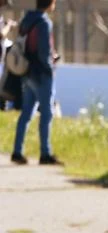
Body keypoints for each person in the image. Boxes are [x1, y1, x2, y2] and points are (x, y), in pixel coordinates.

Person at [10, 0, 58, 166]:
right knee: (46, 113)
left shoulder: (26, 20)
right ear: (50, 3)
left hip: (27, 71)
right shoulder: (44, 22)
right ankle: (45, 153)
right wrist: (50, 67)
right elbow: (44, 52)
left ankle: (17, 151)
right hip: (41, 74)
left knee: (26, 113)